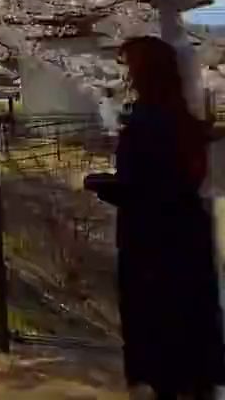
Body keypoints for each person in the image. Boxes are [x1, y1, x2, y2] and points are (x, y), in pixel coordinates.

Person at [84, 35, 225, 400]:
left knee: (157, 330)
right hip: (187, 237)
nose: (127, 75)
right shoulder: (186, 122)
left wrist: (102, 184)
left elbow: (143, 186)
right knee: (189, 325)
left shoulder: (146, 123)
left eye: (130, 67)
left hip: (150, 242)